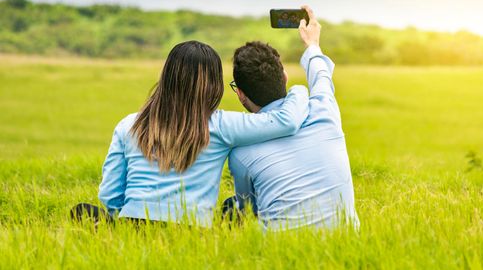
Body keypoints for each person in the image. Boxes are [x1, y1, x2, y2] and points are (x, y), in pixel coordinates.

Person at [70, 40, 309, 227]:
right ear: (213, 84)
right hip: (193, 231)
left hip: (132, 226)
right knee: (233, 207)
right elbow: (286, 121)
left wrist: (121, 220)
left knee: (82, 212)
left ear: (166, 77)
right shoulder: (221, 125)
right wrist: (297, 88)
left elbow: (110, 197)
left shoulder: (129, 125)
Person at [227, 6, 359, 230]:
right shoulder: (324, 111)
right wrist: (312, 44)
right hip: (348, 247)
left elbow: (249, 210)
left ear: (240, 94)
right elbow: (321, 76)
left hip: (278, 255)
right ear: (285, 76)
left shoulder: (241, 153)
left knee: (231, 208)